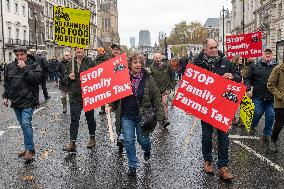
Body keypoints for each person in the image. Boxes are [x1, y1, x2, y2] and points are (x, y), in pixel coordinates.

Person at [193, 39, 242, 180]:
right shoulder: (198, 63)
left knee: (223, 137)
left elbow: (239, 77)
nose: (214, 50)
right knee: (207, 136)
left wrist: (232, 76)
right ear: (205, 49)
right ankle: (208, 161)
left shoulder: (226, 62)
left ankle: (223, 166)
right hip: (206, 104)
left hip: (223, 105)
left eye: (216, 47)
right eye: (211, 48)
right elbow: (191, 84)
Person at [110, 53, 165, 176]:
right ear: (129, 64)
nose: (138, 65)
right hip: (126, 115)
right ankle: (132, 165)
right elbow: (114, 93)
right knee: (129, 140)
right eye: (135, 62)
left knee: (143, 141)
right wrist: (112, 106)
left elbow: (156, 97)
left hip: (142, 116)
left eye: (140, 62)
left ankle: (147, 150)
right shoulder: (121, 77)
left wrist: (161, 116)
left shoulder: (148, 79)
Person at [2, 46, 42, 161]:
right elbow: (7, 84)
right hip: (16, 101)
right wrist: (5, 97)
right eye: (17, 55)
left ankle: (30, 150)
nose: (19, 57)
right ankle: (28, 147)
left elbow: (36, 80)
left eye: (21, 55)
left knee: (26, 123)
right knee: (24, 126)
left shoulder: (34, 65)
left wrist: (25, 68)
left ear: (26, 54)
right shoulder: (10, 67)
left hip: (29, 100)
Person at [63, 48, 97, 152]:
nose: (79, 50)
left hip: (88, 95)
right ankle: (72, 142)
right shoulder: (70, 63)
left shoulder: (90, 62)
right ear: (74, 50)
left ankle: (92, 138)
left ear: (84, 49)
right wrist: (69, 77)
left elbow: (98, 76)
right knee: (74, 119)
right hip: (75, 96)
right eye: (77, 48)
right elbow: (64, 79)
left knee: (90, 118)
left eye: (81, 48)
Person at [246, 49, 278, 140]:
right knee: (257, 112)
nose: (268, 55)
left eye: (269, 53)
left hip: (270, 97)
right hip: (257, 95)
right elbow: (247, 78)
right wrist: (248, 89)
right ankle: (252, 126)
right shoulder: (255, 65)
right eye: (266, 53)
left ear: (272, 55)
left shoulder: (276, 66)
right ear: (262, 55)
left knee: (271, 116)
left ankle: (267, 133)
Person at [150, 53, 176, 127]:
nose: (157, 59)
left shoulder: (167, 65)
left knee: (164, 103)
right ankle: (161, 119)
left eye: (159, 58)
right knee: (158, 105)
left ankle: (165, 120)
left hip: (166, 89)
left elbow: (173, 76)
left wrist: (171, 86)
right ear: (153, 59)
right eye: (156, 58)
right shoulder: (151, 67)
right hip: (156, 90)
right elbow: (150, 79)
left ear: (161, 58)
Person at [267, 60, 284, 152]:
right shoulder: (278, 69)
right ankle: (273, 140)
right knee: (279, 124)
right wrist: (281, 96)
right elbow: (270, 85)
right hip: (281, 103)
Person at [95, 47, 109, 115]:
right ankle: (102, 108)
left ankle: (108, 107)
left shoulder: (107, 59)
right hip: (99, 79)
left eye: (101, 52)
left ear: (104, 52)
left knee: (107, 94)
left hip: (106, 78)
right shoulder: (96, 59)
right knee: (102, 94)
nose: (100, 53)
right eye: (99, 52)